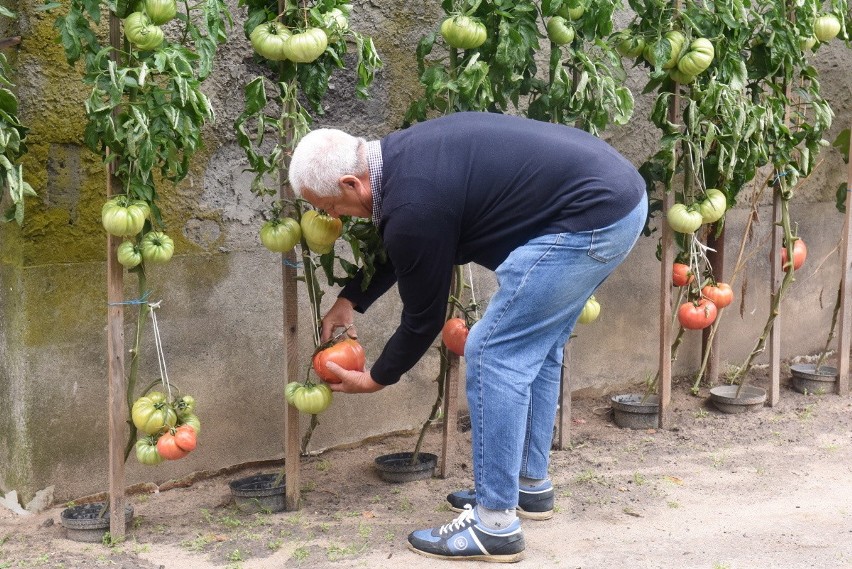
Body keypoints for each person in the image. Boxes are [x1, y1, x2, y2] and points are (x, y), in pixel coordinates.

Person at [288, 111, 648, 563]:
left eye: (327, 207)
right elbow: (413, 243)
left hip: (590, 219)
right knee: (538, 346)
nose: (330, 216)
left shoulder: (412, 203)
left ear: (349, 184)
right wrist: (351, 299)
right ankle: (527, 484)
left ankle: (494, 523)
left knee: (494, 352)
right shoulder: (400, 159)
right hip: (615, 199)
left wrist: (377, 377)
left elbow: (424, 316)